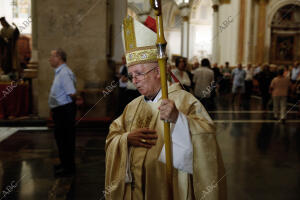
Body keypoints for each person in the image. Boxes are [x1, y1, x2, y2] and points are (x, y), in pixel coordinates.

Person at [105, 16, 226, 200]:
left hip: (167, 190)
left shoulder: (184, 101)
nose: (134, 80)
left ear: (158, 72)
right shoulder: (132, 106)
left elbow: (207, 137)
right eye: (131, 76)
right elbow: (113, 135)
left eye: (139, 74)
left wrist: (179, 119)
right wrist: (126, 139)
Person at [48, 48, 77, 177]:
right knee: (61, 139)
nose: (49, 59)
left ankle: (68, 167)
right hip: (61, 110)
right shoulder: (60, 72)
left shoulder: (64, 73)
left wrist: (69, 108)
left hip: (64, 111)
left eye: (51, 56)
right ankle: (65, 164)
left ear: (58, 58)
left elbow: (71, 93)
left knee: (65, 139)